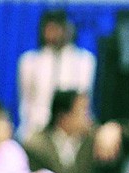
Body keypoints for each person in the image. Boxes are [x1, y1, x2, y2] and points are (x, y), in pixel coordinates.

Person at [17, 9, 96, 142]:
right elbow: (26, 101)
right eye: (49, 28)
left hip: (72, 130)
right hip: (37, 128)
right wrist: (27, 130)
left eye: (57, 28)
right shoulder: (29, 61)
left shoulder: (84, 60)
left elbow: (84, 98)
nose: (53, 33)